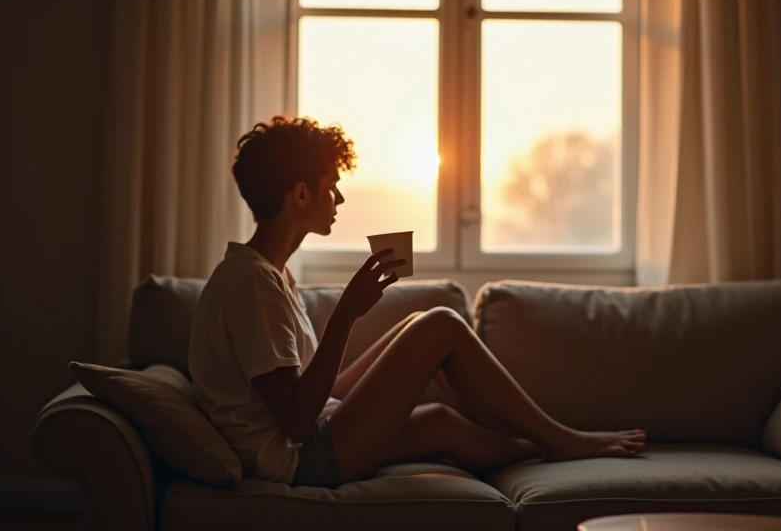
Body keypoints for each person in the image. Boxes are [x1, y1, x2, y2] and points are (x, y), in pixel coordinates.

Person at [189, 115, 646, 488]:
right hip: (302, 462)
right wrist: (347, 313)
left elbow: (310, 395)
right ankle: (565, 440)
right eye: (331, 185)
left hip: (315, 438)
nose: (340, 197)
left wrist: (398, 345)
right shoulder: (252, 286)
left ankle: (546, 446)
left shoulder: (271, 275)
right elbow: (294, 421)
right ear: (302, 194)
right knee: (441, 324)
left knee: (438, 415)